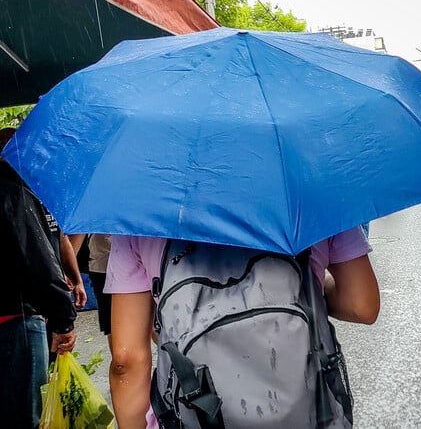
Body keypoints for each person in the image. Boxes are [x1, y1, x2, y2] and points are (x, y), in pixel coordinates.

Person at [105, 226, 380, 429]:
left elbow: (126, 361)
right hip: (308, 411)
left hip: (195, 415)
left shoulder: (140, 212)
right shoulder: (312, 185)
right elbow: (362, 304)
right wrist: (310, 292)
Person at [0, 127, 77, 429]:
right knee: (25, 417)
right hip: (16, 322)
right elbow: (37, 260)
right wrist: (63, 320)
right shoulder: (11, 189)